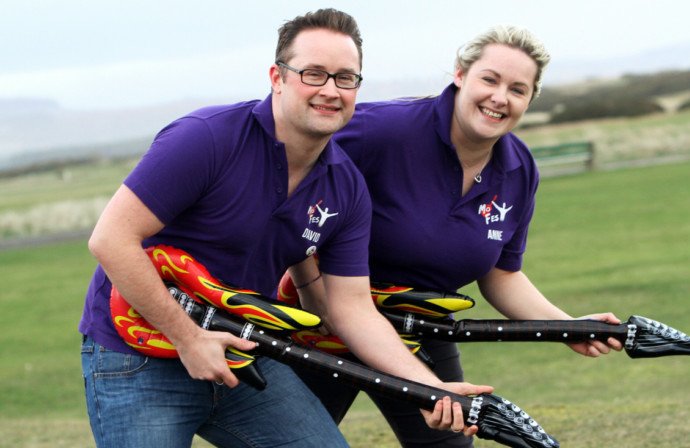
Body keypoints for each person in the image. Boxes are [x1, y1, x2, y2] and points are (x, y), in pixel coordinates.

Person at [79, 8, 489, 448]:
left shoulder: (346, 187)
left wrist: (431, 388)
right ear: (277, 77)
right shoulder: (206, 138)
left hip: (247, 353)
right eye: (314, 74)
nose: (331, 90)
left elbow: (352, 310)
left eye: (345, 78)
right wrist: (188, 338)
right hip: (139, 353)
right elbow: (111, 239)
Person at [287, 24, 624, 447]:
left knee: (448, 443)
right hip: (318, 323)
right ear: (461, 75)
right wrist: (309, 284)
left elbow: (502, 276)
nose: (500, 97)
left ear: (529, 100)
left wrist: (567, 325)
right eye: (490, 79)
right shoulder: (380, 130)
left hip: (421, 326)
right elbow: (288, 188)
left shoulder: (519, 168)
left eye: (518, 89)